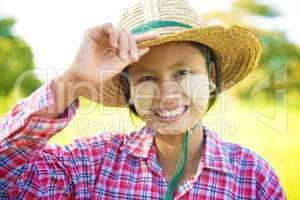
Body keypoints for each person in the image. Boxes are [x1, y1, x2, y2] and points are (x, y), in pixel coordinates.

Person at [0, 0, 286, 199]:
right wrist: (74, 81)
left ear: (210, 75)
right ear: (129, 90)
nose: (166, 93)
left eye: (183, 72)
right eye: (146, 78)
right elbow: (6, 178)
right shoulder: (93, 164)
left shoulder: (252, 176)